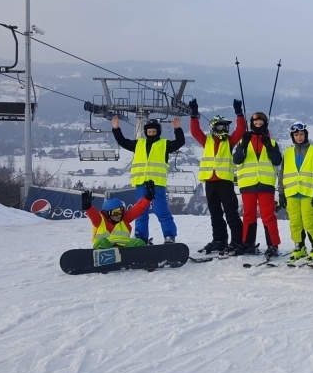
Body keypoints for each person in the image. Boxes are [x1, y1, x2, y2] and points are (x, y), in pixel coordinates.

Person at [112, 115, 185, 244]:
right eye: (149, 132)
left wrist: (177, 128)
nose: (151, 134)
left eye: (154, 132)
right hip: (141, 183)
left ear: (158, 132)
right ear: (146, 132)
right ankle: (141, 237)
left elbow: (180, 142)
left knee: (161, 210)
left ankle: (169, 236)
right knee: (140, 211)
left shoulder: (164, 144)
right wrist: (116, 128)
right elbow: (122, 141)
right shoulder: (138, 144)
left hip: (157, 184)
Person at [188, 98, 246, 255]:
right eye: (221, 126)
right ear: (214, 127)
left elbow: (240, 130)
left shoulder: (229, 141)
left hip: (224, 181)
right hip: (210, 181)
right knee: (215, 213)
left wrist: (239, 113)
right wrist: (194, 115)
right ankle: (219, 240)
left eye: (226, 126)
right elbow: (195, 132)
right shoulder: (206, 141)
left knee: (231, 211)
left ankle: (237, 240)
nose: (224, 129)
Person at [232, 111, 283, 258]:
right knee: (249, 215)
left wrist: (269, 147)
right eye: (256, 124)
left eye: (261, 124)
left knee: (268, 216)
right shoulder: (244, 141)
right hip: (248, 184)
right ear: (252, 124)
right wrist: (243, 145)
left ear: (265, 125)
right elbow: (237, 160)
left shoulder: (272, 142)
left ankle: (273, 245)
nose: (258, 126)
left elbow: (277, 161)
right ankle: (248, 244)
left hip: (265, 184)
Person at [278, 122, 313, 261]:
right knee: (295, 222)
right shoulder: (287, 153)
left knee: (309, 221)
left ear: (306, 135)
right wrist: (281, 193)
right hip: (291, 192)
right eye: (296, 135)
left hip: (308, 192)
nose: (299, 137)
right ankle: (299, 247)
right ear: (292, 136)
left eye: (301, 134)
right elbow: (282, 174)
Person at [82, 180, 155, 249]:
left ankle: (142, 259)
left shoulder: (124, 218)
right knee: (102, 241)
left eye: (120, 211)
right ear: (107, 213)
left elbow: (138, 208)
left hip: (125, 250)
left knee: (138, 242)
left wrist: (148, 198)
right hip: (107, 251)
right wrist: (87, 207)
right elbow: (93, 215)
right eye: (115, 213)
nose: (118, 215)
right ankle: (100, 259)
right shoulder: (100, 220)